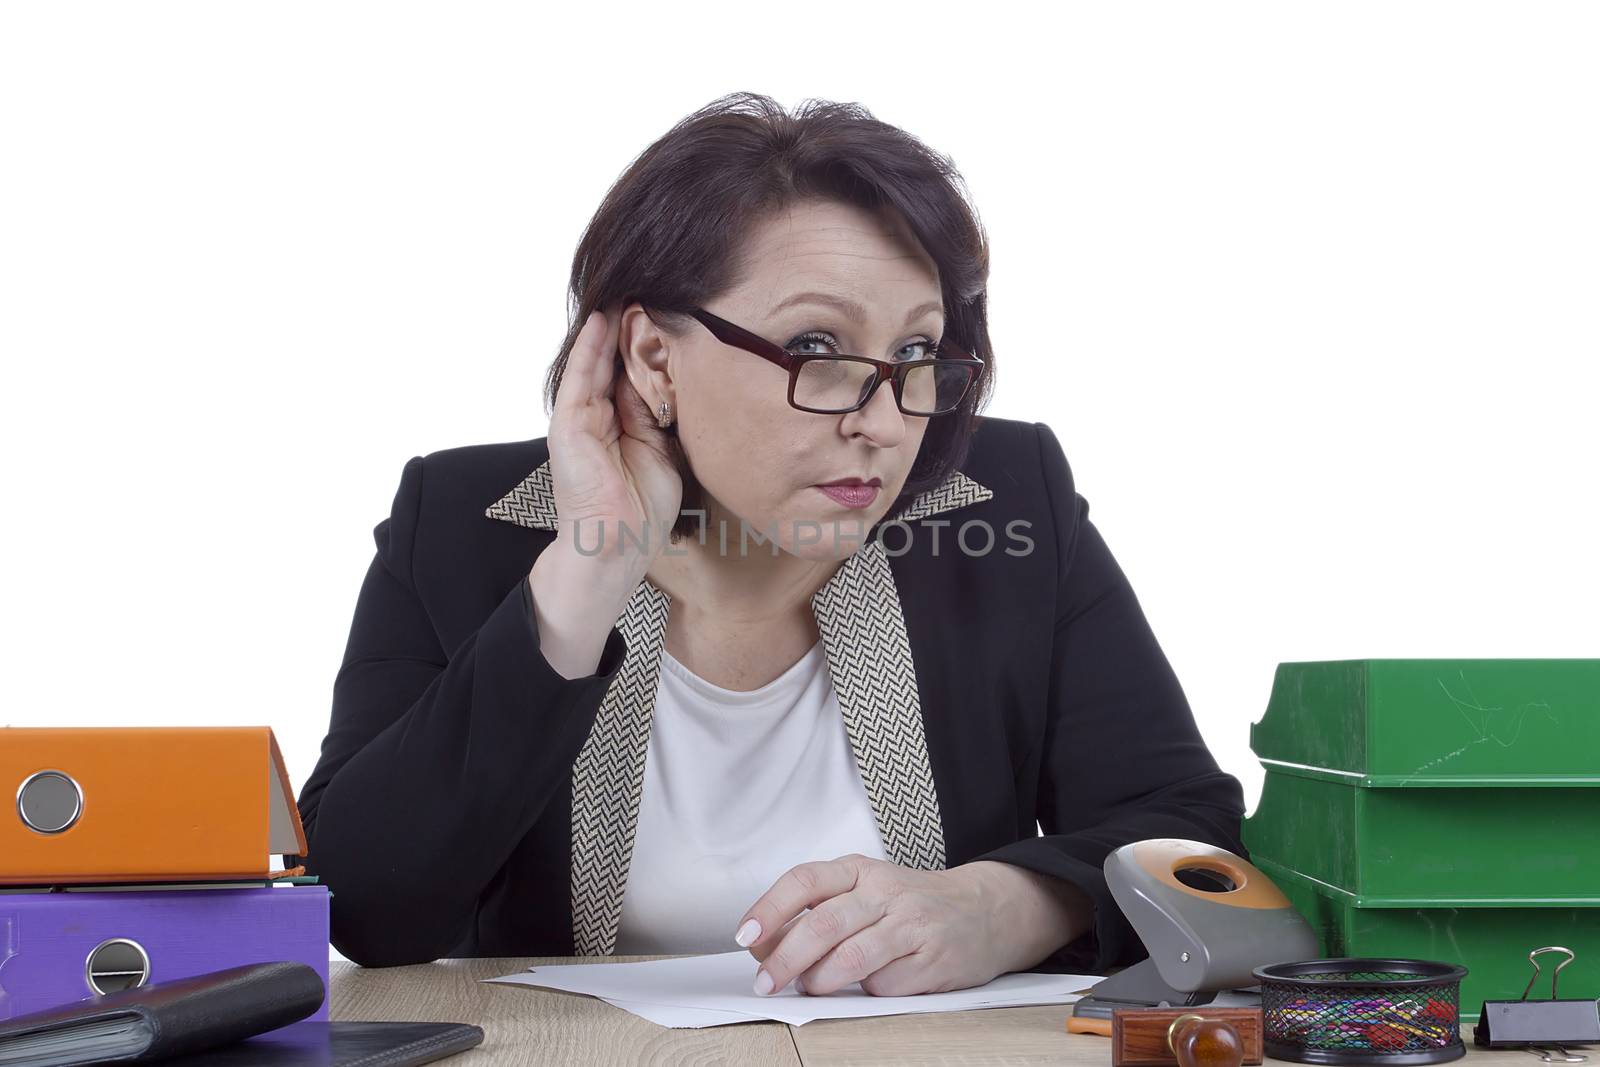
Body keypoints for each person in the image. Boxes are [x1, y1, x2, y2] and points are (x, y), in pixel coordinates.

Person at [289, 92, 1246, 999]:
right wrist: (585, 573)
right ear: (654, 355)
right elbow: (369, 909)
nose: (884, 423)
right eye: (819, 350)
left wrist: (999, 905)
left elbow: (1190, 834)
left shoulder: (1006, 502)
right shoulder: (462, 518)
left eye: (917, 355)